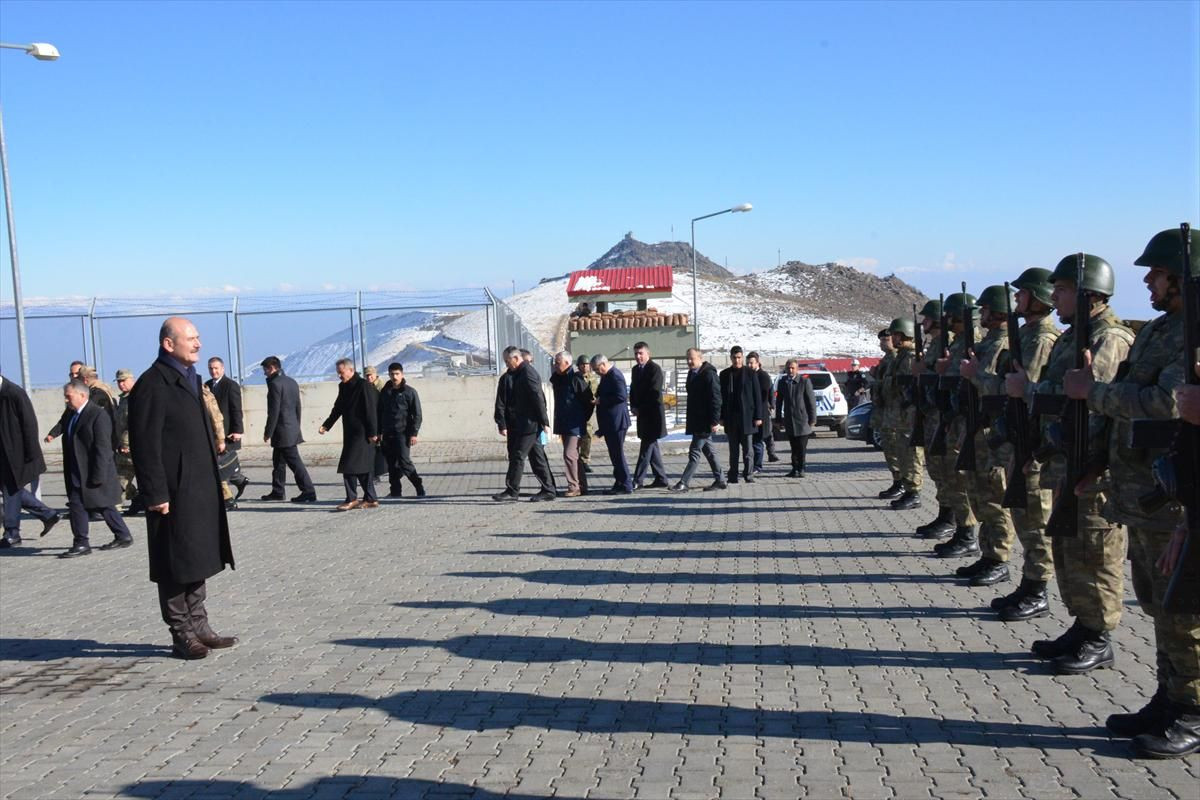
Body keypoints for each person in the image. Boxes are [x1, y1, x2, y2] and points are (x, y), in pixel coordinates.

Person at [1066, 227, 1198, 758]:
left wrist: (1093, 393)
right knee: (1157, 605)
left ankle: (1191, 709)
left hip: (1175, 495)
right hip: (1142, 490)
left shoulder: (1192, 332)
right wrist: (1097, 459)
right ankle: (1169, 697)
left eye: (1159, 273)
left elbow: (1170, 404)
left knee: (1185, 608)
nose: (1147, 280)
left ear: (1185, 278)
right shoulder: (1161, 330)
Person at [1007, 254, 1134, 675]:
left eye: (1061, 289)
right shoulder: (1071, 335)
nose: (1053, 295)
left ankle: (1099, 636)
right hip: (1066, 458)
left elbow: (1092, 400)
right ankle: (1083, 626)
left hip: (1092, 465)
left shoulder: (1108, 337)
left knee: (1095, 551)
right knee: (1070, 548)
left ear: (1089, 294)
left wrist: (1028, 390)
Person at [129, 317, 236, 660]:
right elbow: (144, 444)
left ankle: (200, 625)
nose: (198, 343)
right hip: (171, 492)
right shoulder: (152, 384)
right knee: (174, 561)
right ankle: (181, 633)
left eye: (198, 337)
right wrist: (155, 493)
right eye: (191, 338)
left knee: (197, 556)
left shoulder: (191, 378)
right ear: (168, 344)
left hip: (198, 487)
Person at [986, 268, 1060, 622]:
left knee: (1035, 518)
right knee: (1022, 514)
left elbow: (1026, 387)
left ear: (1036, 297)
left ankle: (1039, 588)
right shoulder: (1028, 334)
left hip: (1032, 442)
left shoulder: (1043, 339)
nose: (1016, 300)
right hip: (1018, 438)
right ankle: (1029, 583)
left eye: (1022, 294)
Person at [955, 285, 1016, 586]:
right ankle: (988, 554)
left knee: (995, 497)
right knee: (980, 495)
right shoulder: (988, 343)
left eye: (987, 309)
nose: (983, 314)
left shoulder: (1006, 344)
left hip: (993, 432)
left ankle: (1000, 558)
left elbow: (1005, 388)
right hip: (976, 427)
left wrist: (974, 375)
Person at [929, 291, 983, 559]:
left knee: (964, 482)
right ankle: (962, 530)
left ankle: (968, 535)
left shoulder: (975, 343)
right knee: (952, 478)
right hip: (954, 420)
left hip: (970, 423)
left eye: (951, 315)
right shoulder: (959, 343)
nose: (945, 319)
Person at [55, 379, 135, 558]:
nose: (66, 401)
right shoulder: (70, 414)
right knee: (81, 505)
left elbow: (103, 448)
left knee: (104, 505)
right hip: (76, 469)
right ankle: (87, 541)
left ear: (82, 395)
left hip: (93, 470)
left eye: (69, 397)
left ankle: (95, 540)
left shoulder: (97, 415)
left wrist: (98, 475)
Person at [0, 373, 61, 548]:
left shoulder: (14, 393)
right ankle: (48, 514)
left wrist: (30, 455)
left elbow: (29, 424)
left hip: (17, 455)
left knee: (11, 489)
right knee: (13, 489)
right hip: (3, 455)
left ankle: (12, 534)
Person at [493, 346, 556, 502]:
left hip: (529, 424)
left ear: (516, 358)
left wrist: (544, 421)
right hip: (522, 424)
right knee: (537, 457)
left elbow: (538, 398)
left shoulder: (528, 373)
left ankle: (512, 490)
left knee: (518, 455)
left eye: (507, 361)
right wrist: (502, 423)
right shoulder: (514, 375)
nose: (506, 364)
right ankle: (548, 489)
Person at [319, 359, 380, 511]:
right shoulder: (344, 386)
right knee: (361, 467)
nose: (339, 375)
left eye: (341, 372)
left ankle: (351, 499)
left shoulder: (363, 385)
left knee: (348, 465)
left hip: (363, 433)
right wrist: (327, 424)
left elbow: (371, 410)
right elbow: (338, 407)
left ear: (351, 370)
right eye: (338, 373)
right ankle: (371, 498)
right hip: (351, 433)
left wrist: (373, 433)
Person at [880, 317, 925, 507]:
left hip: (910, 415)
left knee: (912, 454)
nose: (893, 338)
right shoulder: (902, 357)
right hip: (900, 415)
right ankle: (907, 488)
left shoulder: (911, 358)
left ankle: (914, 492)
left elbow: (908, 386)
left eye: (897, 334)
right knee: (902, 452)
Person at [260, 356, 317, 503]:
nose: (264, 373)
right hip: (291, 428)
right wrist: (296, 426)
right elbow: (298, 407)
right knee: (278, 462)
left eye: (265, 370)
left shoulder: (275, 384)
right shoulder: (292, 382)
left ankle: (308, 491)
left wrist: (268, 432)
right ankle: (278, 491)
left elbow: (274, 411)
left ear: (272, 368)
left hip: (282, 431)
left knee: (295, 463)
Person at [671, 348, 724, 492]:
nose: (689, 361)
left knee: (694, 451)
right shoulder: (692, 373)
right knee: (709, 452)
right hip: (697, 420)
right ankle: (720, 480)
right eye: (687, 358)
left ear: (700, 358)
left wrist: (715, 420)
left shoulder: (709, 374)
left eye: (692, 358)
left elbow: (716, 398)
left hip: (705, 421)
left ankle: (684, 482)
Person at [376, 362, 425, 498]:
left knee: (404, 462)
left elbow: (417, 414)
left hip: (403, 433)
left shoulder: (409, 392)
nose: (394, 376)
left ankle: (419, 486)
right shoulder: (385, 392)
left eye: (397, 374)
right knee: (391, 464)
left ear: (402, 374)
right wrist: (379, 432)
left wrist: (414, 434)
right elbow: (380, 413)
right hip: (388, 433)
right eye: (392, 374)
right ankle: (395, 491)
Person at [205, 357, 249, 501]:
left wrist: (238, 430)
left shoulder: (231, 385)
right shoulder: (206, 386)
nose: (213, 371)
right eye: (211, 368)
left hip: (228, 431)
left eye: (216, 368)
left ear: (222, 369)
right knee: (222, 462)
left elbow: (236, 410)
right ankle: (239, 480)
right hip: (213, 432)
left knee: (221, 464)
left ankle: (227, 498)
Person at [719, 346, 764, 484]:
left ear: (742, 357)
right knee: (733, 450)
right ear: (730, 358)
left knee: (748, 450)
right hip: (731, 418)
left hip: (748, 418)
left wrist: (758, 416)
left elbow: (757, 396)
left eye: (739, 357)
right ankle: (733, 475)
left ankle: (748, 474)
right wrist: (721, 416)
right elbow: (721, 397)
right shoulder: (725, 374)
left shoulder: (750, 373)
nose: (737, 360)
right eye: (734, 357)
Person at [549, 351, 592, 497]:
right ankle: (582, 486)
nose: (555, 365)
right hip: (564, 423)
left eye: (557, 362)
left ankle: (574, 487)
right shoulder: (557, 379)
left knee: (569, 454)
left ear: (567, 363)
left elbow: (589, 401)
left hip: (575, 424)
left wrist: (582, 418)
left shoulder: (576, 379)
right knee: (574, 456)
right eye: (554, 362)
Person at [629, 341, 670, 489]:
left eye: (641, 353)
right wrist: (633, 406)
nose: (638, 356)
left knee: (646, 449)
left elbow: (654, 393)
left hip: (653, 416)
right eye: (636, 354)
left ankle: (637, 480)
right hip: (642, 415)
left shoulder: (654, 369)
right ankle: (661, 478)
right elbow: (633, 390)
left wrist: (641, 408)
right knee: (652, 448)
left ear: (648, 353)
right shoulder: (635, 370)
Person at [592, 354, 633, 494]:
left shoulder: (615, 375)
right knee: (614, 455)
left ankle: (626, 484)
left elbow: (621, 396)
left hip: (617, 421)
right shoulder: (606, 376)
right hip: (610, 423)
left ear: (603, 364)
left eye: (597, 369)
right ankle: (619, 482)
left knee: (618, 455)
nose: (596, 373)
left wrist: (602, 400)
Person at [871, 329, 902, 499]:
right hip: (885, 411)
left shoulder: (897, 359)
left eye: (886, 339)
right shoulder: (886, 360)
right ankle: (897, 481)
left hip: (895, 413)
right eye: (881, 340)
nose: (883, 343)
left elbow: (895, 385)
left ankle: (903, 483)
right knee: (889, 449)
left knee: (896, 448)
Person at [775, 359, 817, 477]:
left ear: (797, 369)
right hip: (790, 420)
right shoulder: (783, 382)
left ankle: (802, 468)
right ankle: (794, 468)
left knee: (801, 447)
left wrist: (812, 419)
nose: (790, 370)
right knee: (793, 447)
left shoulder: (804, 382)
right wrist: (778, 419)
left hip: (803, 420)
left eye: (793, 368)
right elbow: (779, 402)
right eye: (788, 368)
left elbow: (811, 402)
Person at [113, 369, 145, 516]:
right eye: (119, 381)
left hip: (137, 446)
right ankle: (136, 499)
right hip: (124, 448)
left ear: (132, 380)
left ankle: (140, 500)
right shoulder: (124, 399)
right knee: (121, 478)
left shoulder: (138, 397)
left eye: (124, 381)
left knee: (141, 477)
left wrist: (126, 443)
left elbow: (136, 423)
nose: (121, 384)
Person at [747, 352, 779, 470]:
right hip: (750, 414)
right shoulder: (747, 375)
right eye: (748, 363)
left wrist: (772, 404)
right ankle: (754, 464)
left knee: (760, 439)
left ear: (757, 363)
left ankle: (757, 466)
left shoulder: (763, 376)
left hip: (762, 413)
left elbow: (766, 394)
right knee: (754, 441)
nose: (749, 365)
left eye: (751, 363)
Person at [576, 354, 600, 473]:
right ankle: (575, 460)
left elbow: (597, 392)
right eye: (582, 365)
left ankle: (584, 460)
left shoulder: (593, 378)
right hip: (578, 410)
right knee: (576, 437)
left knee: (588, 436)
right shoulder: (575, 378)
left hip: (589, 411)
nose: (585, 367)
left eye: (586, 365)